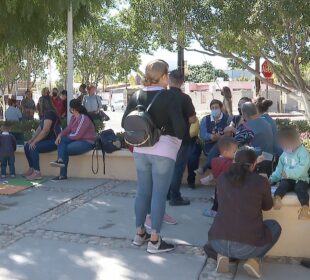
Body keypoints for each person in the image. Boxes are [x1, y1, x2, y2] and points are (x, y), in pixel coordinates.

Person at [121, 59, 186, 254]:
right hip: (164, 150)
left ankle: (140, 233)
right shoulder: (169, 97)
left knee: (142, 192)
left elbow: (125, 121)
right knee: (158, 194)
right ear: (164, 76)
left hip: (141, 149)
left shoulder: (137, 95)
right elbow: (181, 129)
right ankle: (155, 240)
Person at [208, 147, 281, 278]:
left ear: (234, 162)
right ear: (253, 165)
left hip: (217, 242)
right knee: (275, 226)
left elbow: (220, 204)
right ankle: (254, 260)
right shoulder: (261, 181)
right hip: (247, 246)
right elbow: (267, 206)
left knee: (222, 225)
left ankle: (224, 256)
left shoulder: (222, 178)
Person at [168, 70, 196, 206]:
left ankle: (166, 194)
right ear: (182, 82)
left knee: (167, 168)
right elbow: (192, 119)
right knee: (178, 169)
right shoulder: (185, 98)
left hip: (164, 139)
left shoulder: (162, 96)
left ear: (169, 79)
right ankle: (175, 197)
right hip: (182, 138)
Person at [49, 99, 96, 181]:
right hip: (77, 140)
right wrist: (60, 135)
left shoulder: (83, 118)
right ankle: (60, 162)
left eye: (70, 108)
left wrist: (64, 137)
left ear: (73, 108)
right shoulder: (74, 117)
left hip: (87, 142)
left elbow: (77, 134)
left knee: (64, 148)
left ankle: (62, 172)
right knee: (62, 142)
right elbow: (68, 129)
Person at [270, 127, 310, 219]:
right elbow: (279, 169)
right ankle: (277, 199)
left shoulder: (303, 153)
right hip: (287, 179)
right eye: (282, 146)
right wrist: (273, 178)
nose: (284, 148)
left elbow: (302, 169)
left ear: (294, 141)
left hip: (301, 179)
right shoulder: (284, 154)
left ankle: (305, 208)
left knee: (300, 189)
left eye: (286, 145)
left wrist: (288, 173)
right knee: (282, 185)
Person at [24, 96, 61, 180]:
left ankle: (37, 173)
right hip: (48, 140)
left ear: (42, 104)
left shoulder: (50, 114)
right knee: (27, 146)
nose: (38, 104)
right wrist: (32, 140)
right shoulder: (46, 114)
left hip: (54, 141)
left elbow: (45, 131)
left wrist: (35, 142)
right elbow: (39, 129)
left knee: (33, 147)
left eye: (39, 102)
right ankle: (32, 169)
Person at [203, 137, 238, 217]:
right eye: (234, 151)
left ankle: (214, 211)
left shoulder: (215, 161)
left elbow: (215, 173)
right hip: (228, 186)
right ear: (225, 152)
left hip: (218, 185)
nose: (236, 153)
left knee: (217, 200)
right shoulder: (229, 163)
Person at [194, 100, 228, 176]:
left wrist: (220, 137)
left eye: (216, 107)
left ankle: (204, 168)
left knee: (220, 143)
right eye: (212, 108)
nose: (214, 109)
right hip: (208, 146)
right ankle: (210, 174)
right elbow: (202, 134)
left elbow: (231, 134)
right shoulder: (205, 119)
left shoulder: (227, 119)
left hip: (225, 148)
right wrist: (211, 136)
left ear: (221, 108)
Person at [241, 102, 274, 176]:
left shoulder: (245, 127)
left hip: (254, 164)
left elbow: (236, 145)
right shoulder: (267, 123)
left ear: (244, 114)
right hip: (269, 161)